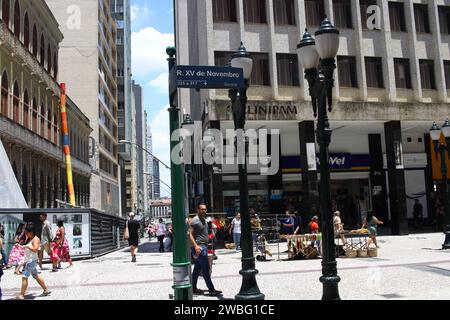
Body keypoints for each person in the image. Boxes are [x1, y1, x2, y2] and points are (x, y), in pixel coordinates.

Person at [189, 204, 222, 296]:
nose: (204, 211)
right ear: (198, 209)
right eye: (202, 209)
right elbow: (190, 234)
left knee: (197, 269)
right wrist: (195, 246)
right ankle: (211, 290)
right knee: (206, 269)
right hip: (199, 247)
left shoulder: (204, 220)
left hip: (203, 246)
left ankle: (193, 288)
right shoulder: (195, 220)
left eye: (205, 209)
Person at [18, 223, 51, 300]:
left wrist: (27, 246)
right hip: (32, 260)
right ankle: (46, 290)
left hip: (31, 261)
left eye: (27, 232)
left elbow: (35, 249)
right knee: (36, 275)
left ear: (31, 231)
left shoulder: (35, 239)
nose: (26, 234)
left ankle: (21, 295)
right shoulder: (31, 238)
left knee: (24, 277)